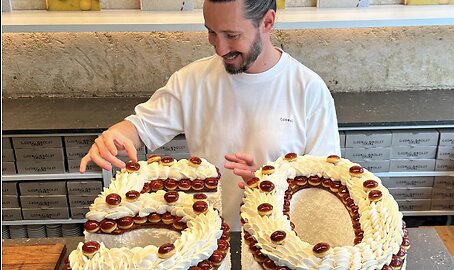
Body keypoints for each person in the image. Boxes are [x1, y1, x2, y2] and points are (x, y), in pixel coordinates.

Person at [80, 0, 340, 231]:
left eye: (232, 35)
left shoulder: (308, 90)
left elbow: (324, 188)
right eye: (211, 32)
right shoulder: (192, 81)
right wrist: (114, 135)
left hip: (281, 242)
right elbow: (139, 128)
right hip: (207, 239)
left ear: (268, 22)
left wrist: (267, 182)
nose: (220, 49)